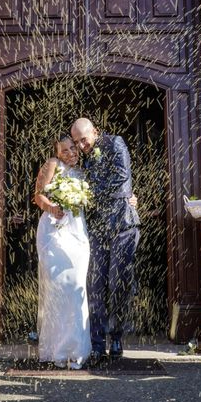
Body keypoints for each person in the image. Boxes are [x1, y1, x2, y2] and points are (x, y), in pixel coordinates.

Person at [71, 118, 140, 363]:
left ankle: (117, 337)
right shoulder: (86, 157)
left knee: (118, 283)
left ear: (95, 132)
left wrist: (88, 195)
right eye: (77, 142)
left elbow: (121, 178)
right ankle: (98, 343)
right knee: (96, 285)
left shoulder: (115, 143)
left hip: (123, 224)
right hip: (98, 227)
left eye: (83, 139)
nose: (81, 146)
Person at [34, 135, 91, 369]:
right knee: (58, 285)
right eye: (64, 151)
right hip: (53, 230)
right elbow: (38, 196)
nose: (70, 154)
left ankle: (77, 349)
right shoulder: (52, 165)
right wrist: (52, 207)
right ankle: (56, 350)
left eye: (72, 149)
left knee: (77, 285)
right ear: (57, 153)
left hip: (77, 230)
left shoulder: (85, 170)